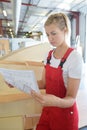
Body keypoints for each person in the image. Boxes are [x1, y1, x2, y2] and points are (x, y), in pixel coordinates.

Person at [31, 12, 83, 130]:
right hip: (48, 111)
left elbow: (71, 99)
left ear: (64, 31)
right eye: (48, 34)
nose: (50, 38)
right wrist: (18, 82)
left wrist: (55, 101)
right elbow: (43, 83)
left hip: (65, 116)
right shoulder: (48, 56)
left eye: (54, 33)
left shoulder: (74, 58)